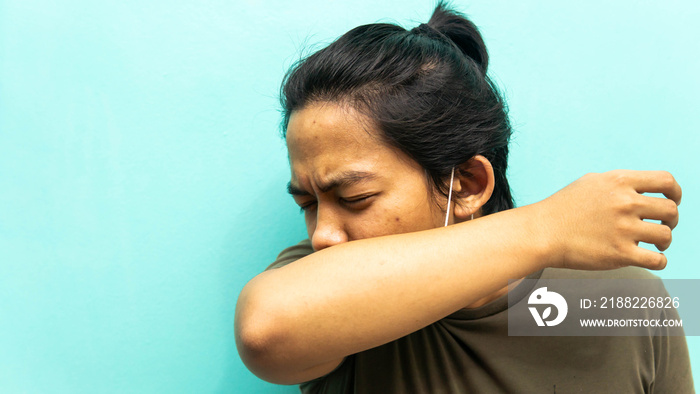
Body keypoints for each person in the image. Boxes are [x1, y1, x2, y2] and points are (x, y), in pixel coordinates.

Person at [235, 3, 692, 392]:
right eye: (308, 205)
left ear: (468, 184)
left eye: (355, 197)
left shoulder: (622, 302)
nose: (323, 236)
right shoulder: (321, 293)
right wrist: (547, 226)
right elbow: (265, 331)